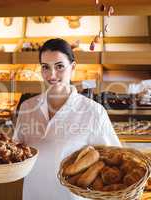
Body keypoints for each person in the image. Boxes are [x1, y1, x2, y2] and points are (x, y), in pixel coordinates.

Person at [13, 38, 121, 200]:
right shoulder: (28, 107)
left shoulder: (93, 112)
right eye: (45, 67)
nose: (52, 75)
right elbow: (17, 151)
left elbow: (116, 160)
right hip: (33, 194)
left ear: (73, 67)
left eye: (59, 66)